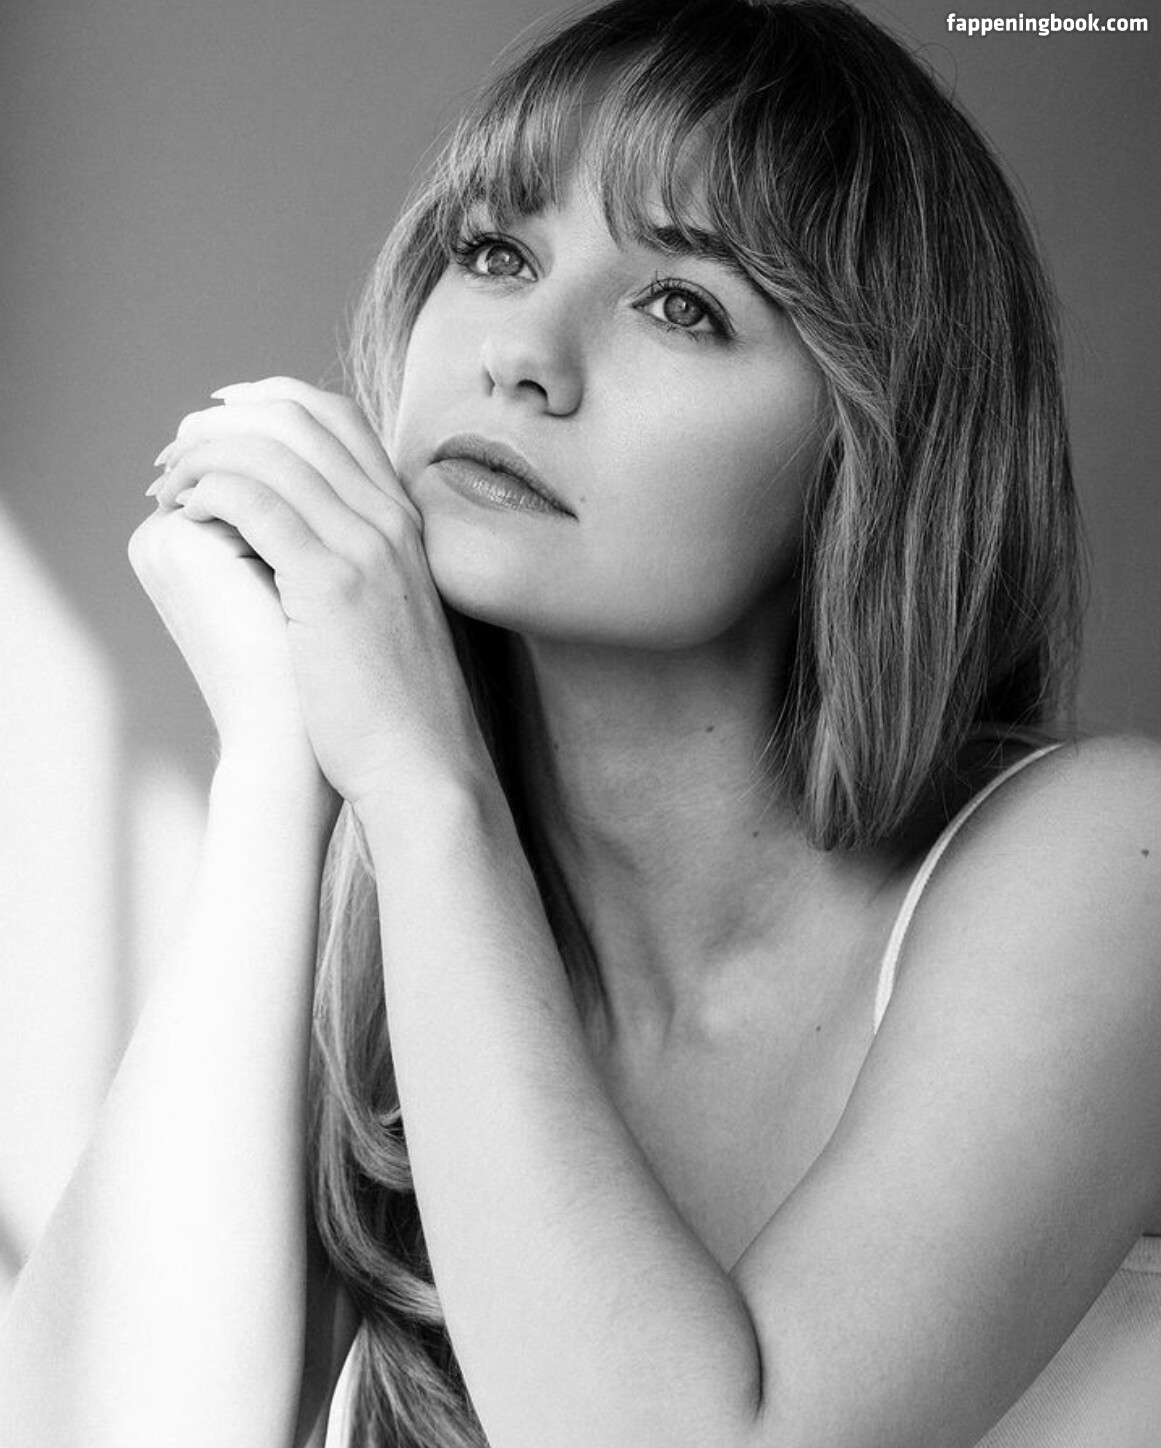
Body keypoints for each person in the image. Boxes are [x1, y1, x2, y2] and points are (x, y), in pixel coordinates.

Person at [2, 0, 1160, 1444]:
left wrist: (419, 779)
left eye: (683, 306)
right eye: (496, 252)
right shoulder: (405, 935)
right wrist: (279, 759)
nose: (522, 355)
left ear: (874, 451)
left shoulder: (1111, 861)